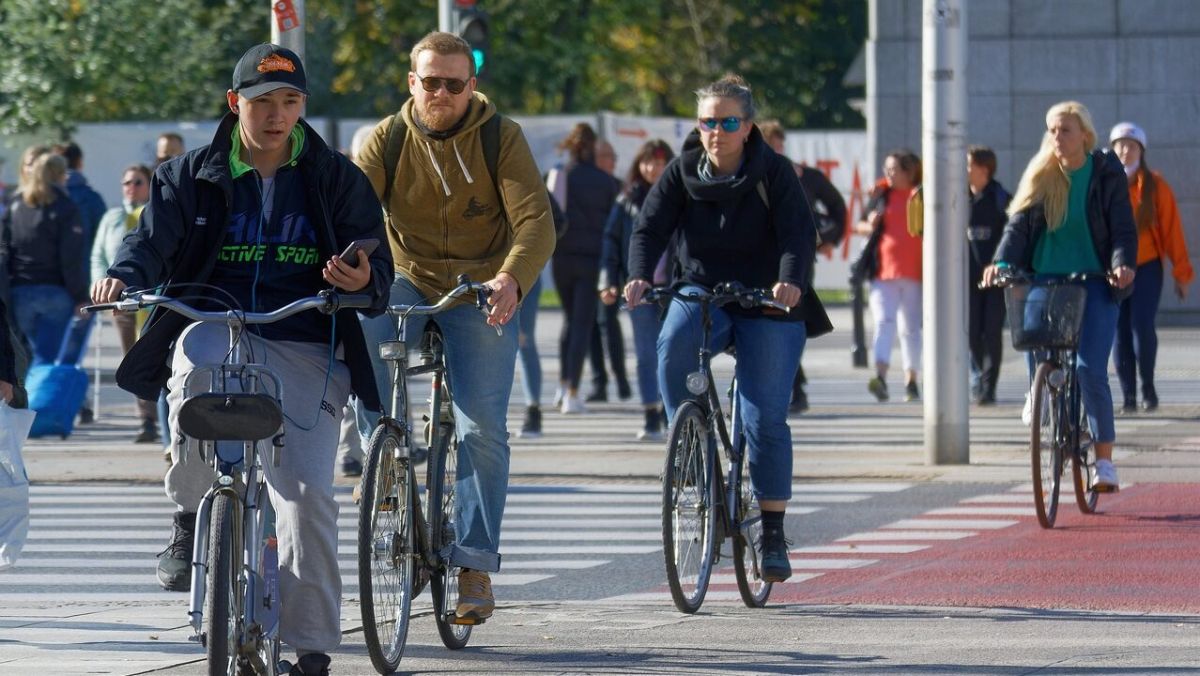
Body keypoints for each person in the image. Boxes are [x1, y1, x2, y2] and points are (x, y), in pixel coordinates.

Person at [91, 44, 392, 676]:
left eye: (289, 101)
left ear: (302, 106)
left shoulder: (336, 176)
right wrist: (123, 277)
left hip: (306, 336)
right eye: (261, 102)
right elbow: (150, 243)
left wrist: (361, 276)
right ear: (236, 104)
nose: (276, 115)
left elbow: (376, 266)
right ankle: (192, 505)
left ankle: (311, 648)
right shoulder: (188, 174)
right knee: (193, 370)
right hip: (213, 321)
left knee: (307, 499)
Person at [352, 31, 555, 621]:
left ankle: (473, 565)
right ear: (411, 83)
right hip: (408, 274)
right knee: (361, 331)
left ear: (472, 86)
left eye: (453, 83)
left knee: (481, 427)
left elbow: (535, 219)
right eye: (430, 81)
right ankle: (381, 456)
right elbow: (353, 211)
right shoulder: (387, 140)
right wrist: (351, 262)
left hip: (481, 284)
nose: (441, 92)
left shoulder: (500, 136)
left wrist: (513, 278)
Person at [625, 74, 827, 583]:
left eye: (728, 121)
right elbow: (649, 228)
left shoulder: (774, 172)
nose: (716, 131)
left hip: (767, 300)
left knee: (764, 421)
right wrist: (639, 275)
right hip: (704, 289)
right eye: (708, 121)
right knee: (671, 342)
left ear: (748, 126)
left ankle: (773, 530)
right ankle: (691, 447)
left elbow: (799, 234)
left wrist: (790, 283)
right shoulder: (682, 171)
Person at [982, 100, 1136, 493]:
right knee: (1033, 334)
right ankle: (1041, 391)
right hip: (1047, 279)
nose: (1057, 137)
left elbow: (1121, 227)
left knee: (1089, 369)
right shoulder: (1042, 173)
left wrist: (1122, 265)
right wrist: (1001, 263)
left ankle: (1103, 463)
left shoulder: (1104, 172)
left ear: (1085, 135)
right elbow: (1017, 227)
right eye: (1051, 130)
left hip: (1097, 280)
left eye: (1065, 130)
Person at [759, 119, 847, 412]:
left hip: (797, 257)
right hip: (759, 259)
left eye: (780, 143)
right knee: (763, 325)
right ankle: (789, 384)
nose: (777, 148)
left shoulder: (804, 175)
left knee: (788, 318)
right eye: (771, 142)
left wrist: (829, 237)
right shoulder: (750, 174)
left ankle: (795, 387)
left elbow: (837, 206)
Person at [1107, 122, 1193, 413]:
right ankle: (1128, 395)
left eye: (1131, 146)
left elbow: (1172, 231)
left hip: (1146, 267)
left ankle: (1148, 388)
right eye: (1119, 145)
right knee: (1119, 330)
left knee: (1142, 327)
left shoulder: (1155, 185)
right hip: (1113, 268)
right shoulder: (1104, 181)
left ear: (1141, 151)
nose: (1124, 151)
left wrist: (1182, 274)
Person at [600, 139, 674, 440]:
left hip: (673, 289)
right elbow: (611, 243)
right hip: (639, 289)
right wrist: (607, 281)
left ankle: (674, 411)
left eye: (659, 162)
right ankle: (650, 412)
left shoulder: (681, 195)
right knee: (645, 354)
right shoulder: (627, 199)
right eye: (647, 162)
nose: (653, 168)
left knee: (672, 351)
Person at [550, 123, 621, 414]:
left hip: (563, 258)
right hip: (592, 260)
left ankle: (563, 383)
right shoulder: (607, 183)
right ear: (594, 148)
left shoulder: (561, 176)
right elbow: (613, 227)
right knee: (581, 324)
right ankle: (573, 393)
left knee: (568, 322)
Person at [90, 164, 160, 442]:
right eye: (126, 183)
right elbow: (98, 255)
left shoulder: (158, 213)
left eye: (138, 182)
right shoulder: (112, 217)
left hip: (153, 301)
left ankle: (159, 418)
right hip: (120, 302)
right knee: (130, 359)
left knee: (154, 358)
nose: (131, 187)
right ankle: (145, 418)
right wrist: (99, 284)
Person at [2, 153, 87, 366]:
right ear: (60, 175)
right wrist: (80, 296)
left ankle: (28, 398)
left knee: (26, 358)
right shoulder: (66, 207)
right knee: (47, 358)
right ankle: (42, 399)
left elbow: (5, 251)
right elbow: (71, 259)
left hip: (20, 291)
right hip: (55, 291)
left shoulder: (16, 205)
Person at [854, 149, 923, 403]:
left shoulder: (921, 195)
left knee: (910, 329)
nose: (888, 174)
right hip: (883, 271)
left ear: (908, 172)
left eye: (893, 169)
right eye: (887, 169)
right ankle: (880, 375)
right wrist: (869, 223)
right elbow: (859, 225)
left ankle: (911, 380)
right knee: (884, 322)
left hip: (915, 272)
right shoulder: (882, 194)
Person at [586, 137, 631, 403]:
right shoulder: (587, 187)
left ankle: (621, 378)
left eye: (614, 157)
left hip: (611, 268)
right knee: (591, 325)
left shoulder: (618, 188)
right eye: (608, 157)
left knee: (607, 322)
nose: (613, 162)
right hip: (587, 263)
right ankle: (599, 381)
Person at [966, 146, 1011, 405]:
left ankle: (988, 387)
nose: (965, 170)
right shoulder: (959, 198)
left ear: (984, 169)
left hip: (995, 279)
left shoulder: (1001, 198)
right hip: (968, 279)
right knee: (972, 332)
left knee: (992, 332)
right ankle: (978, 377)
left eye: (969, 165)